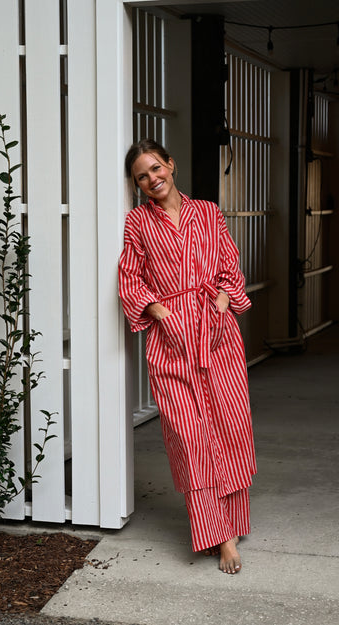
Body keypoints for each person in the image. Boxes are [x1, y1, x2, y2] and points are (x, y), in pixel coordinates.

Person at [118, 139, 257, 574]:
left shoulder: (209, 213)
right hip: (171, 341)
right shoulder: (137, 223)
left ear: (171, 165)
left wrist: (220, 299)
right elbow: (129, 278)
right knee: (190, 438)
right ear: (137, 184)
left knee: (229, 428)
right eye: (142, 176)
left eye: (156, 168)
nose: (152, 179)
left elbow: (231, 267)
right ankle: (217, 533)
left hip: (218, 336)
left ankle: (229, 533)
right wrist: (160, 310)